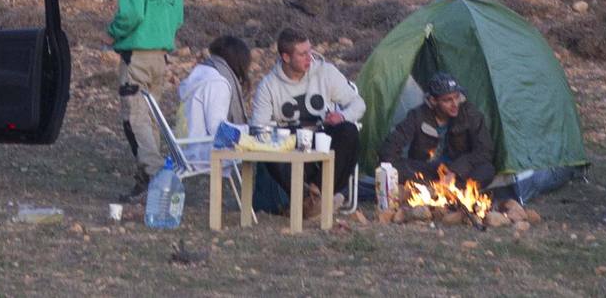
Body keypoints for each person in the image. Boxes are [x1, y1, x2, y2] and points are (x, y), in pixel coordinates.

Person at [106, 0, 184, 202]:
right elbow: (178, 17)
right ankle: (148, 177)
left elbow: (132, 13)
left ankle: (153, 180)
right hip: (161, 56)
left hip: (136, 55)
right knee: (152, 118)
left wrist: (113, 29)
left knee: (135, 118)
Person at [250, 28, 365, 206]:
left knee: (349, 131)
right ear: (286, 57)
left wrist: (342, 116)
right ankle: (305, 198)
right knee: (267, 146)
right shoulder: (269, 85)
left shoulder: (325, 72)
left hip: (322, 136)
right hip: (290, 141)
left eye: (310, 51)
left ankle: (318, 193)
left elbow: (358, 104)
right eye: (302, 54)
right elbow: (258, 127)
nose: (309, 58)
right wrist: (277, 136)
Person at [379, 71, 495, 187]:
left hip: (459, 168)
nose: (455, 104)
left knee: (487, 169)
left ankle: (454, 190)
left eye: (457, 97)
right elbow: (390, 147)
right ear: (433, 101)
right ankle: (433, 187)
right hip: (428, 169)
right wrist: (394, 167)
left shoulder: (470, 114)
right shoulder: (417, 116)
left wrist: (455, 170)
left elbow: (485, 151)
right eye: (447, 100)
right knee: (392, 167)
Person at [177, 34, 252, 173]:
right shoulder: (217, 82)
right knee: (265, 152)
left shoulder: (201, 72)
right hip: (202, 154)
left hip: (187, 148)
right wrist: (250, 130)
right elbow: (218, 129)